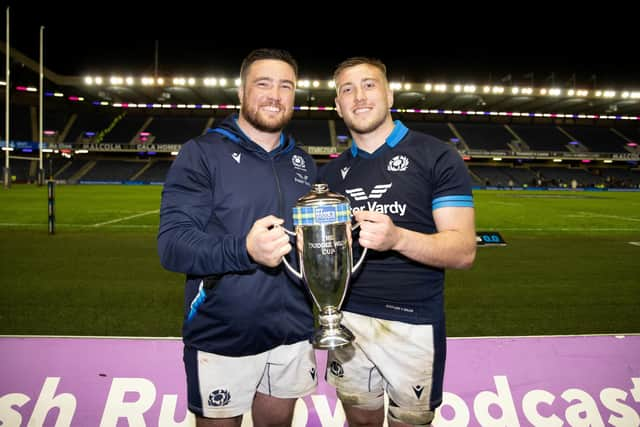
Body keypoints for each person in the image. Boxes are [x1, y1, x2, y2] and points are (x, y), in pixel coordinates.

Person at [157, 48, 317, 427]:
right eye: (263, 84)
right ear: (241, 92)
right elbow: (173, 245)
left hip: (293, 333)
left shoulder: (304, 162)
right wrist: (245, 249)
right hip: (222, 334)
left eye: (286, 86)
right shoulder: (203, 153)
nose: (275, 95)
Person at [321, 57, 476, 426]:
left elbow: (464, 251)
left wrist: (397, 238)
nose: (359, 96)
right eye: (347, 89)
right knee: (359, 421)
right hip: (348, 321)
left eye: (369, 85)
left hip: (413, 324)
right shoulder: (328, 175)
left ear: (389, 95)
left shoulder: (437, 156)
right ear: (338, 106)